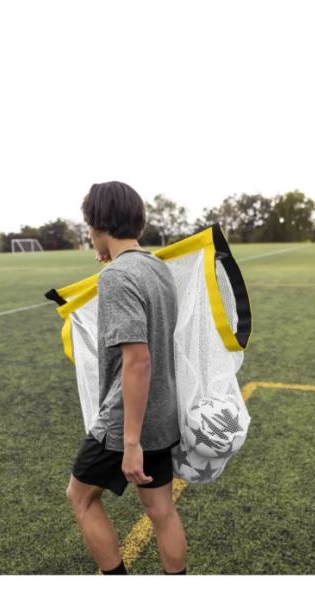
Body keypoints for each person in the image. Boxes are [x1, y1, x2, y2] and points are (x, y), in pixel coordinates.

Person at [65, 181, 187, 575]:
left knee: (80, 497)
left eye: (88, 224)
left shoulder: (117, 277)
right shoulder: (156, 267)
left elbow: (137, 360)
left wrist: (130, 442)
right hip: (162, 412)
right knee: (161, 510)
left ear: (98, 223)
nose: (88, 233)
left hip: (127, 420)